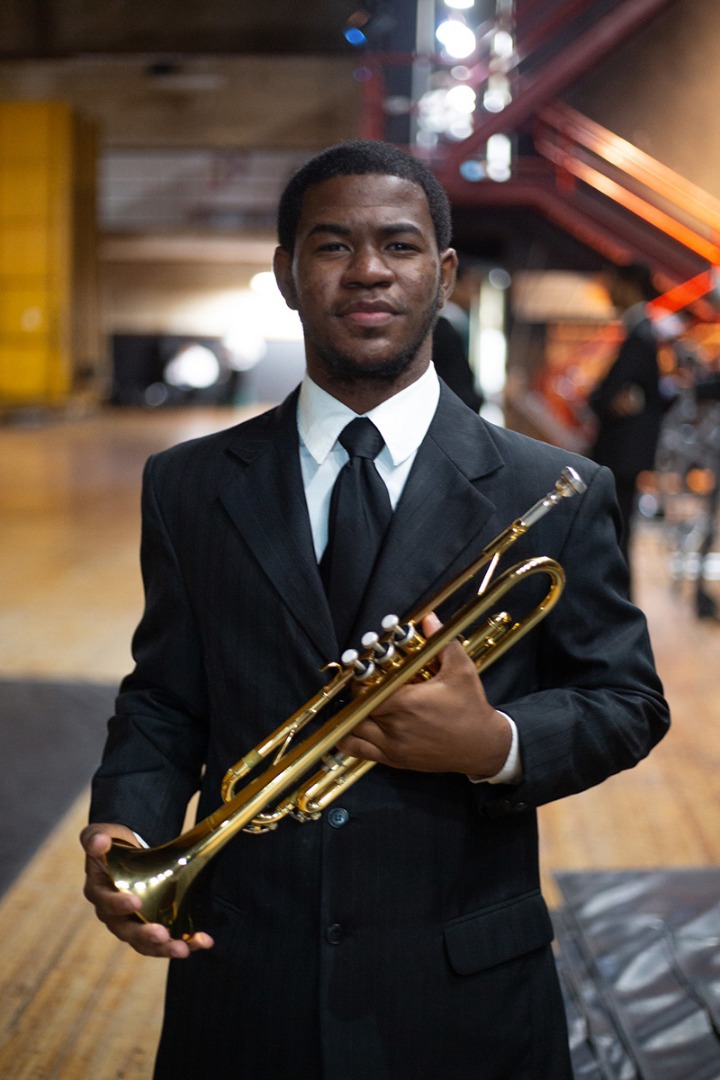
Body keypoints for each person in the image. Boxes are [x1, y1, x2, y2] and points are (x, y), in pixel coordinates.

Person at [81, 141, 670, 1080]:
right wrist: (128, 822)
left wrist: (494, 743)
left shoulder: (555, 487)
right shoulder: (186, 484)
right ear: (287, 274)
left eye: (398, 245)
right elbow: (165, 696)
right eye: (332, 245)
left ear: (443, 274)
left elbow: (627, 702)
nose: (367, 271)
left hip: (460, 986)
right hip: (243, 971)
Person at [587, 263, 671, 589]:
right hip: (626, 453)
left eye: (613, 283)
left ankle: (618, 604)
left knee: (617, 534)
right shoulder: (641, 331)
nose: (608, 291)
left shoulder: (641, 334)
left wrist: (601, 399)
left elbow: (608, 396)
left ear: (629, 285)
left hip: (622, 454)